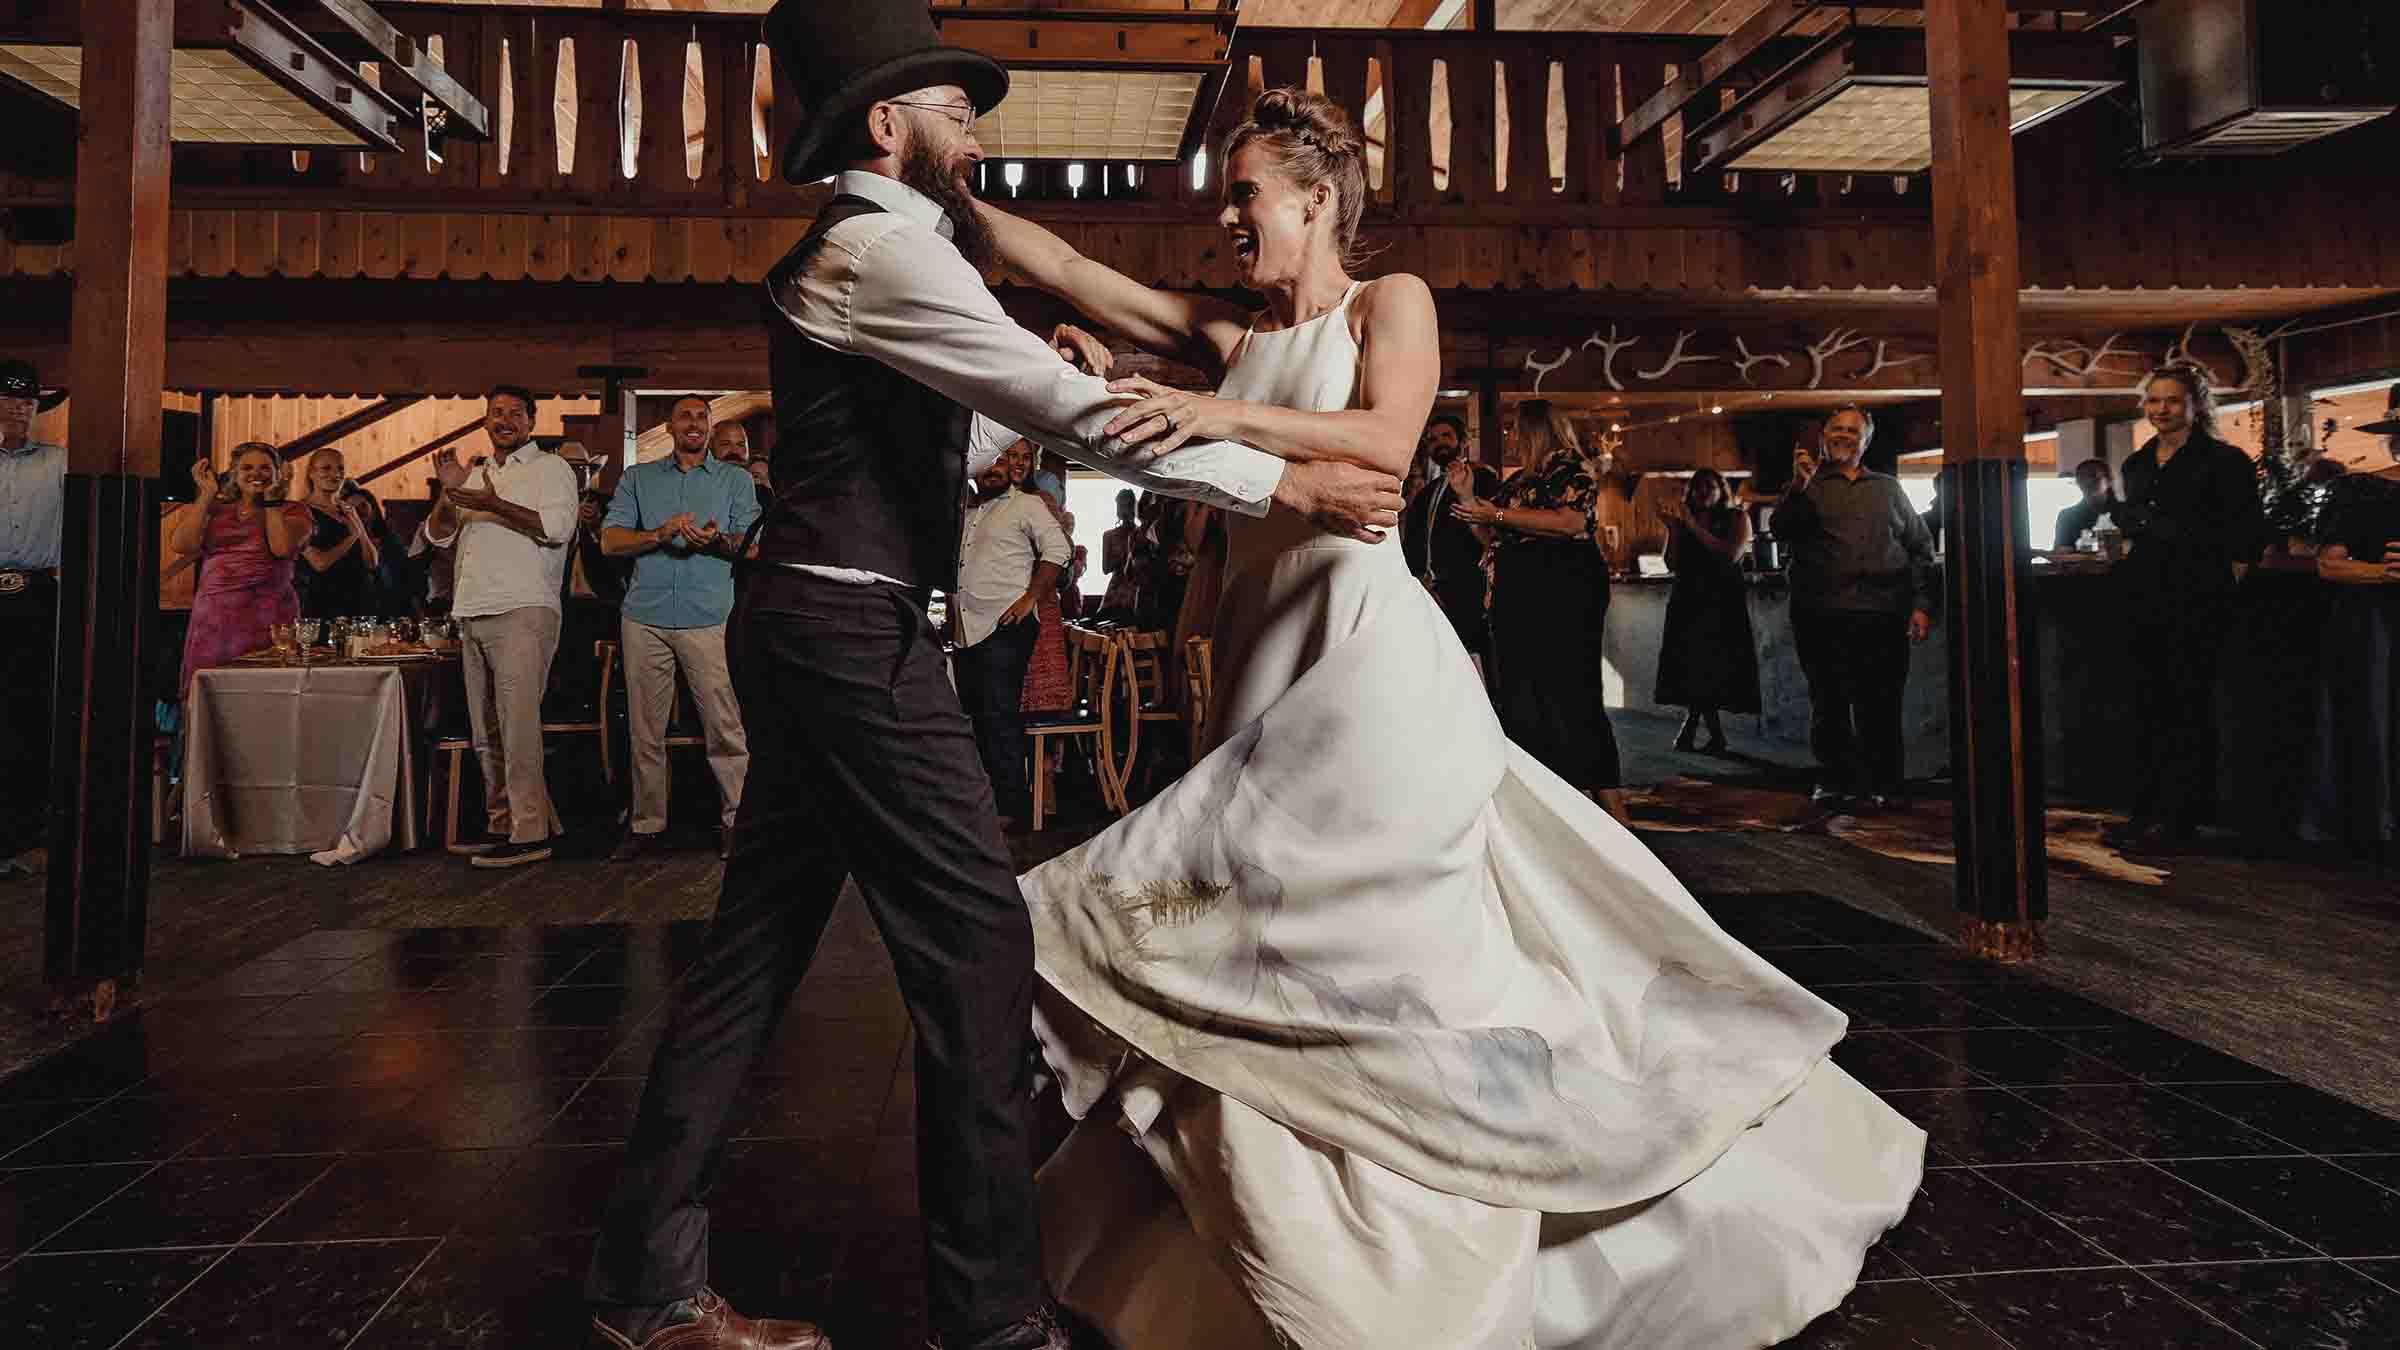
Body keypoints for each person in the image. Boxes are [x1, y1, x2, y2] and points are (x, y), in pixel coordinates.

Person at [983, 86, 1923, 1350]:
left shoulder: (1392, 303)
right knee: (1256, 938)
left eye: (1244, 192)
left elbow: (1382, 438)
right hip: (1263, 673)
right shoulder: (1232, 332)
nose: (1225, 218)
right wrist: (947, 201)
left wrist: (1219, 412)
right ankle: (1276, 1238)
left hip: (1367, 673)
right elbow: (1069, 266)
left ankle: (1429, 1233)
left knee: (1379, 949)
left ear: (1315, 200)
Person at [582, 7, 1400, 1348]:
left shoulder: (887, 253)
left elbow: (943, 454)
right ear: (890, 126)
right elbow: (1059, 416)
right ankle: (995, 1318)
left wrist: (1050, 380)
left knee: (748, 960)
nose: (979, 138)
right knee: (977, 952)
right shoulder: (886, 244)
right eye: (959, 115)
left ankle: (644, 1281)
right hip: (853, 637)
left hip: (813, 622)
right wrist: (1286, 477)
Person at [2103, 366, 2266, 851]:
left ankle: (2182, 819)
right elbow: (2134, 528)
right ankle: (2144, 812)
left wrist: (2220, 581)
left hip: (2197, 599)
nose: (2161, 409)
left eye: (2172, 400)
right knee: (2145, 706)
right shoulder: (2136, 464)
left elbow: (2247, 536)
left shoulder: (2225, 461)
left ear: (2196, 404)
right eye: (2153, 401)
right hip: (2144, 598)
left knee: (2188, 708)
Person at [422, 385, 580, 868]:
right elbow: (440, 534)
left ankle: (530, 834)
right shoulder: (476, 472)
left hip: (524, 606)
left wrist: (489, 502)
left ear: (532, 422)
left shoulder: (550, 469)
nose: (504, 420)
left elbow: (556, 529)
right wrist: (452, 494)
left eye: (515, 413)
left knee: (516, 725)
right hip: (472, 607)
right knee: (485, 728)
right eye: (496, 413)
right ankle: (504, 823)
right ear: (486, 421)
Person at [1451, 400, 1626, 823]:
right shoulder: (1521, 482)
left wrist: (1493, 511)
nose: (1512, 438)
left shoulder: (1571, 469)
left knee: (1572, 691)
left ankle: (1614, 810)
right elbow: (1494, 534)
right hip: (1520, 593)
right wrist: (1468, 497)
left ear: (1536, 432)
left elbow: (1571, 523)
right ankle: (1548, 803)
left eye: (1517, 431)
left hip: (1562, 590)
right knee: (1523, 697)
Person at [600, 395, 758, 861]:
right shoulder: (638, 479)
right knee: (644, 729)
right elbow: (610, 541)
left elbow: (751, 548)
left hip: (709, 614)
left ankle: (736, 821)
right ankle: (647, 826)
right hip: (643, 615)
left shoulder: (734, 480)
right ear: (668, 427)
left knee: (724, 726)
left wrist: (715, 542)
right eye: (684, 415)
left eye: (702, 416)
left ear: (709, 428)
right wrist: (657, 534)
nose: (694, 423)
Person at [1774, 405, 1936, 811]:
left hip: (1884, 611)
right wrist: (1798, 485)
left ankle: (1886, 784)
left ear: (1865, 440)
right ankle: (1835, 782)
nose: (1844, 435)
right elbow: (1782, 531)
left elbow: (1920, 547)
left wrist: (1920, 605)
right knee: (1829, 703)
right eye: (1836, 429)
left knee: (1881, 704)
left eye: (1852, 430)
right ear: (1823, 436)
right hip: (1821, 613)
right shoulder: (1805, 487)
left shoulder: (1888, 489)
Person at [2304, 387, 2400, 856]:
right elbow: (2329, 564)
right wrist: (2383, 571)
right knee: (2375, 722)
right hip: (2373, 623)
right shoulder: (2359, 490)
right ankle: (2373, 827)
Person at [953, 439, 1070, 825]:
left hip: (1005, 627)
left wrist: (1029, 599)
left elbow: (1059, 551)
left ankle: (1012, 809)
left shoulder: (1028, 504)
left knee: (999, 717)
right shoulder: (970, 511)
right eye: (991, 463)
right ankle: (986, 804)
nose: (996, 469)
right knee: (975, 718)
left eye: (1003, 462)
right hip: (965, 628)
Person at [170, 443, 308, 697]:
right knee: (211, 693)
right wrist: (207, 494)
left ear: (278, 473)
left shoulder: (294, 510)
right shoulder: (217, 508)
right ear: (234, 473)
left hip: (268, 613)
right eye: (247, 467)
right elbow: (182, 544)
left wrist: (272, 502)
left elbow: (281, 548)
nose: (257, 473)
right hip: (213, 614)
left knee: (264, 692)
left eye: (266, 468)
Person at [0, 358, 66, 879]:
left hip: (37, 596)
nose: (23, 406)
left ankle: (24, 838)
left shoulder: (59, 462)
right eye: (11, 396)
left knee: (30, 718)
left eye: (30, 399)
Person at [1656, 466, 1760, 752]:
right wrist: (1673, 529)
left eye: (1709, 487)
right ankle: (1708, 735)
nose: (1702, 493)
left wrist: (1692, 526)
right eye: (1697, 487)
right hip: (1688, 599)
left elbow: (1730, 554)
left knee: (1712, 667)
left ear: (1721, 490)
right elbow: (1672, 563)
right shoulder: (1685, 521)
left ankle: (1695, 729)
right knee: (1693, 667)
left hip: (1721, 602)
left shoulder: (1737, 518)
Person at [1399, 410, 1499, 663]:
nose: (1439, 442)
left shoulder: (1484, 478)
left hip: (1470, 589)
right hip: (1430, 589)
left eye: (1446, 436)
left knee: (1475, 662)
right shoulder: (1426, 492)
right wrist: (1418, 577)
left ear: (1463, 441)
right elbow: (1414, 540)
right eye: (1432, 439)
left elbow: (1493, 534)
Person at [293, 447, 382, 619]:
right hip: (322, 603)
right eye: (326, 468)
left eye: (340, 468)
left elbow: (372, 562)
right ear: (311, 473)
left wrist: (358, 527)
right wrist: (352, 537)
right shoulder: (300, 511)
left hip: (360, 601)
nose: (335, 474)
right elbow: (319, 563)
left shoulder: (347, 510)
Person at [2053, 458, 2120, 551]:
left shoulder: (2126, 512)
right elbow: (2060, 553)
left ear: (2109, 480)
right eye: (2081, 477)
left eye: (2093, 476)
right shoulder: (2067, 516)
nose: (2088, 482)